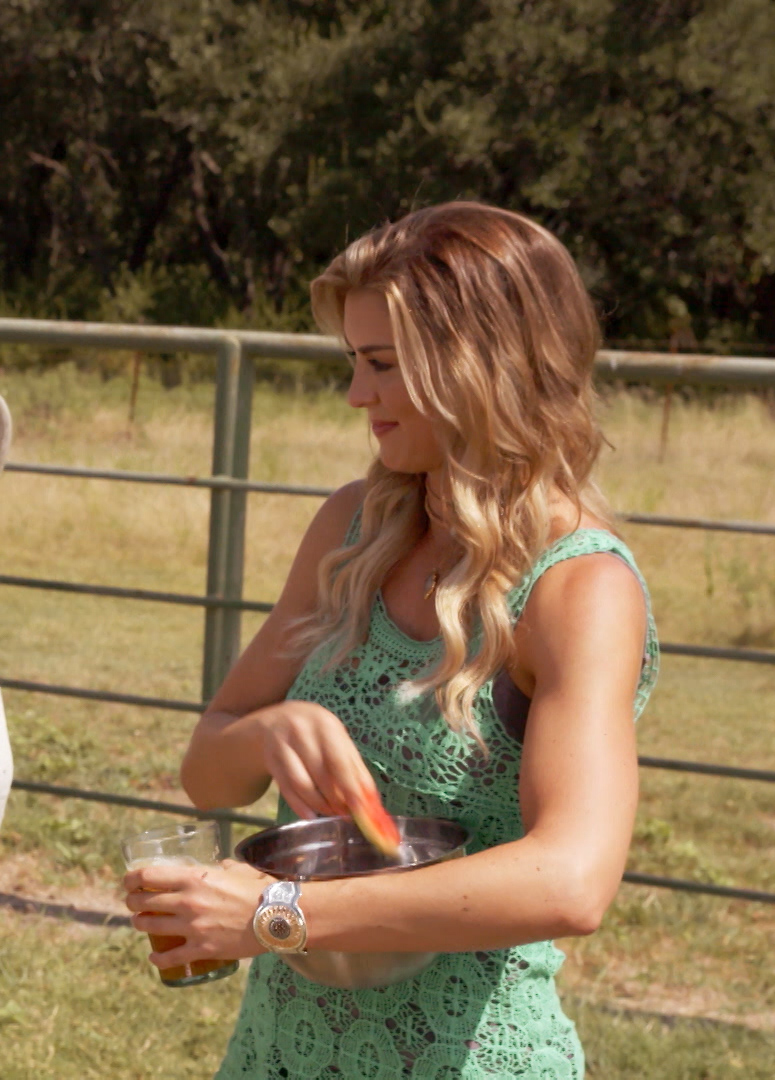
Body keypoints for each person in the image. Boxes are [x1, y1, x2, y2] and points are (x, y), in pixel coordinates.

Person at [123, 201, 658, 1078]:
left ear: (480, 370)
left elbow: (572, 879)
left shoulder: (579, 588)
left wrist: (276, 916)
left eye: (381, 365)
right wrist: (265, 729)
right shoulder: (350, 531)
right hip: (282, 1052)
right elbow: (205, 770)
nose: (356, 394)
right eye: (353, 362)